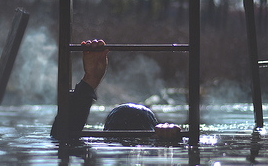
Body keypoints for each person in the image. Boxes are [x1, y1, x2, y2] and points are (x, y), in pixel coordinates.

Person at [51, 39, 182, 141]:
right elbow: (61, 136)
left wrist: (90, 81)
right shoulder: (157, 150)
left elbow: (61, 137)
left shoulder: (100, 145)